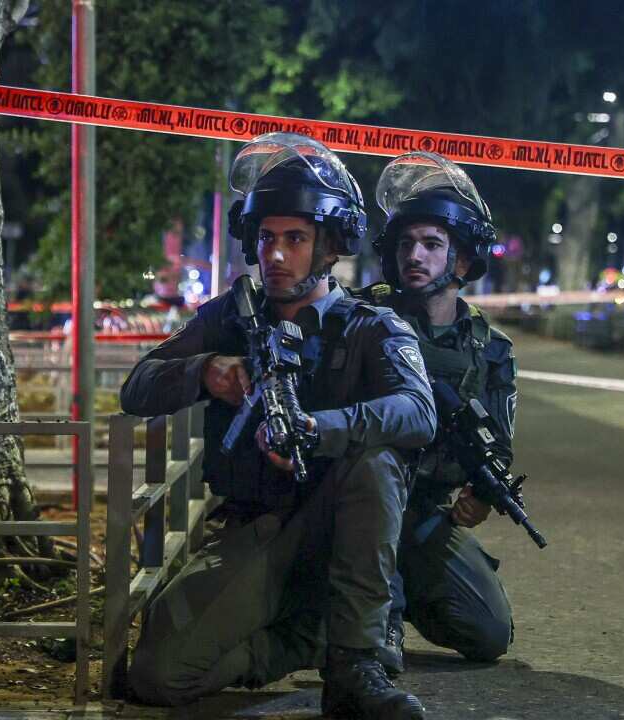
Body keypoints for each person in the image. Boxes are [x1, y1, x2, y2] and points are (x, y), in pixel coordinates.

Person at [120, 133, 434, 719]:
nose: (277, 255)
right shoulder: (229, 318)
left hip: (339, 528)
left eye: (296, 238)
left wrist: (319, 428)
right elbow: (137, 386)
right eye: (267, 238)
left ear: (328, 246)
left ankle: (357, 667)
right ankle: (306, 638)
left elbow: (418, 411)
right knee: (156, 676)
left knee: (376, 459)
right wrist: (205, 370)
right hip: (256, 530)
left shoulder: (372, 327)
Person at [357, 152, 517, 675]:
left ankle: (389, 598)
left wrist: (479, 496)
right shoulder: (364, 317)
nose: (414, 256)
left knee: (489, 632)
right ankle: (362, 618)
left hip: (423, 515)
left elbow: (496, 437)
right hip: (347, 509)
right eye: (405, 243)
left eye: (431, 244)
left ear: (462, 262)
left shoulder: (490, 350)